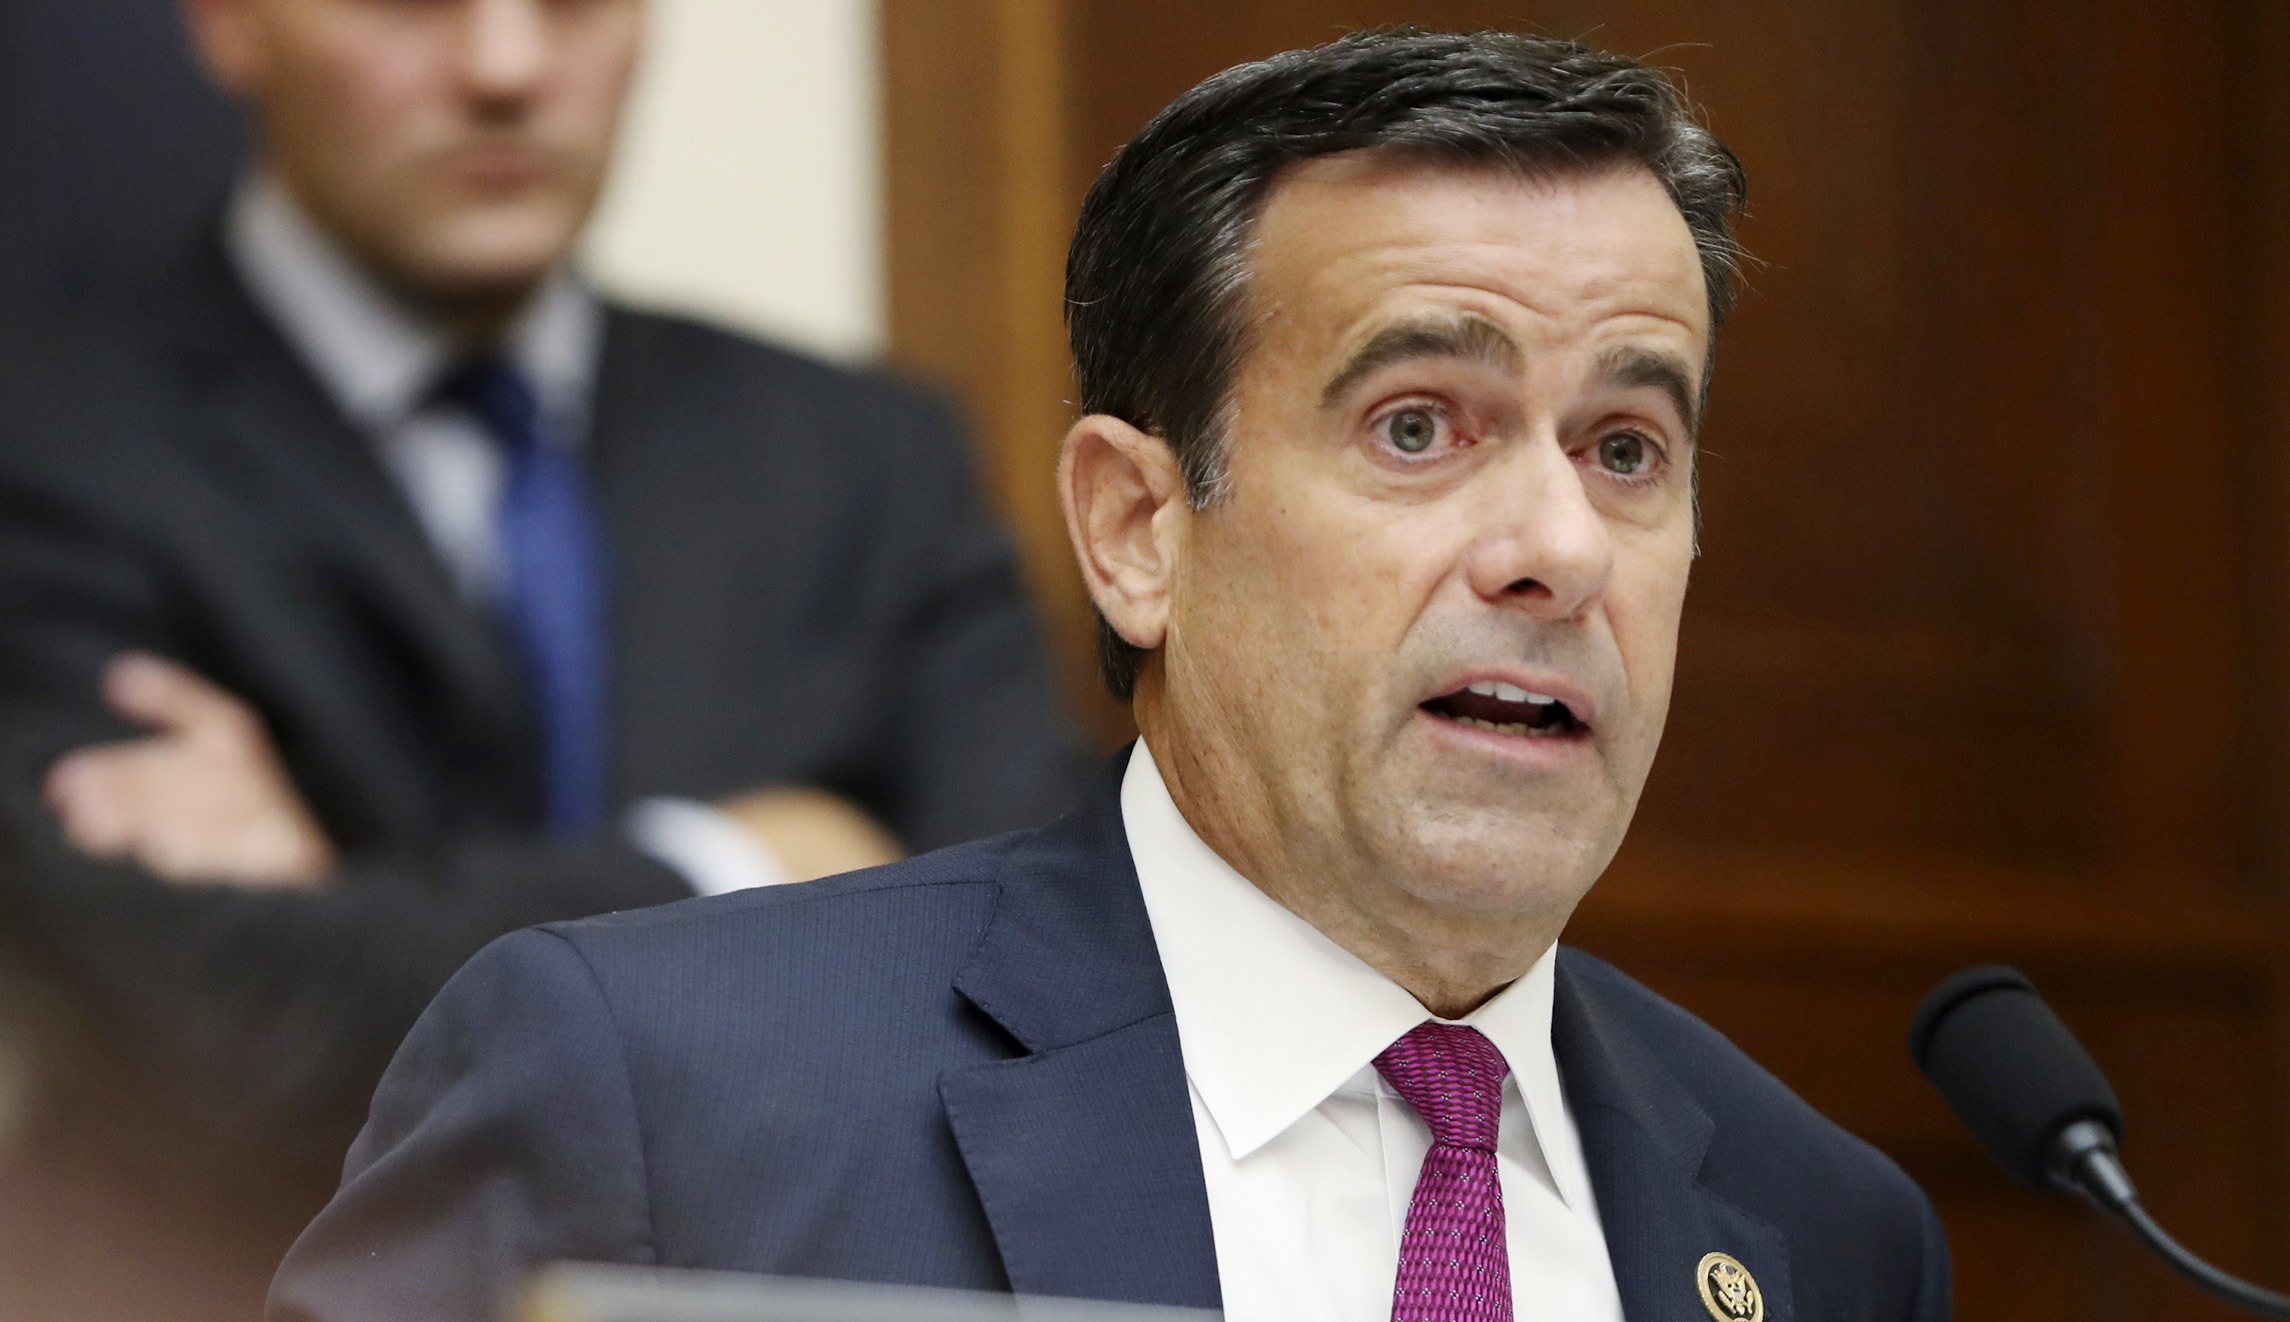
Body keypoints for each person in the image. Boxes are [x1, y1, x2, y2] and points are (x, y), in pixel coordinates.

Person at [270, 28, 1950, 1322]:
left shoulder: (1820, 1228)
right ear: (1139, 527)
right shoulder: (658, 1092)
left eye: (1628, 447)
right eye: (1418, 424)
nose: (1556, 547)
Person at [0, 0, 1082, 1312]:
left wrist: (345, 912)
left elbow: (1043, 981)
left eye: (572, 2)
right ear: (232, 23)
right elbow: (205, 1020)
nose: (506, 67)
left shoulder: (863, 457)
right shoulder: (47, 446)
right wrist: (741, 863)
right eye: (411, 4)